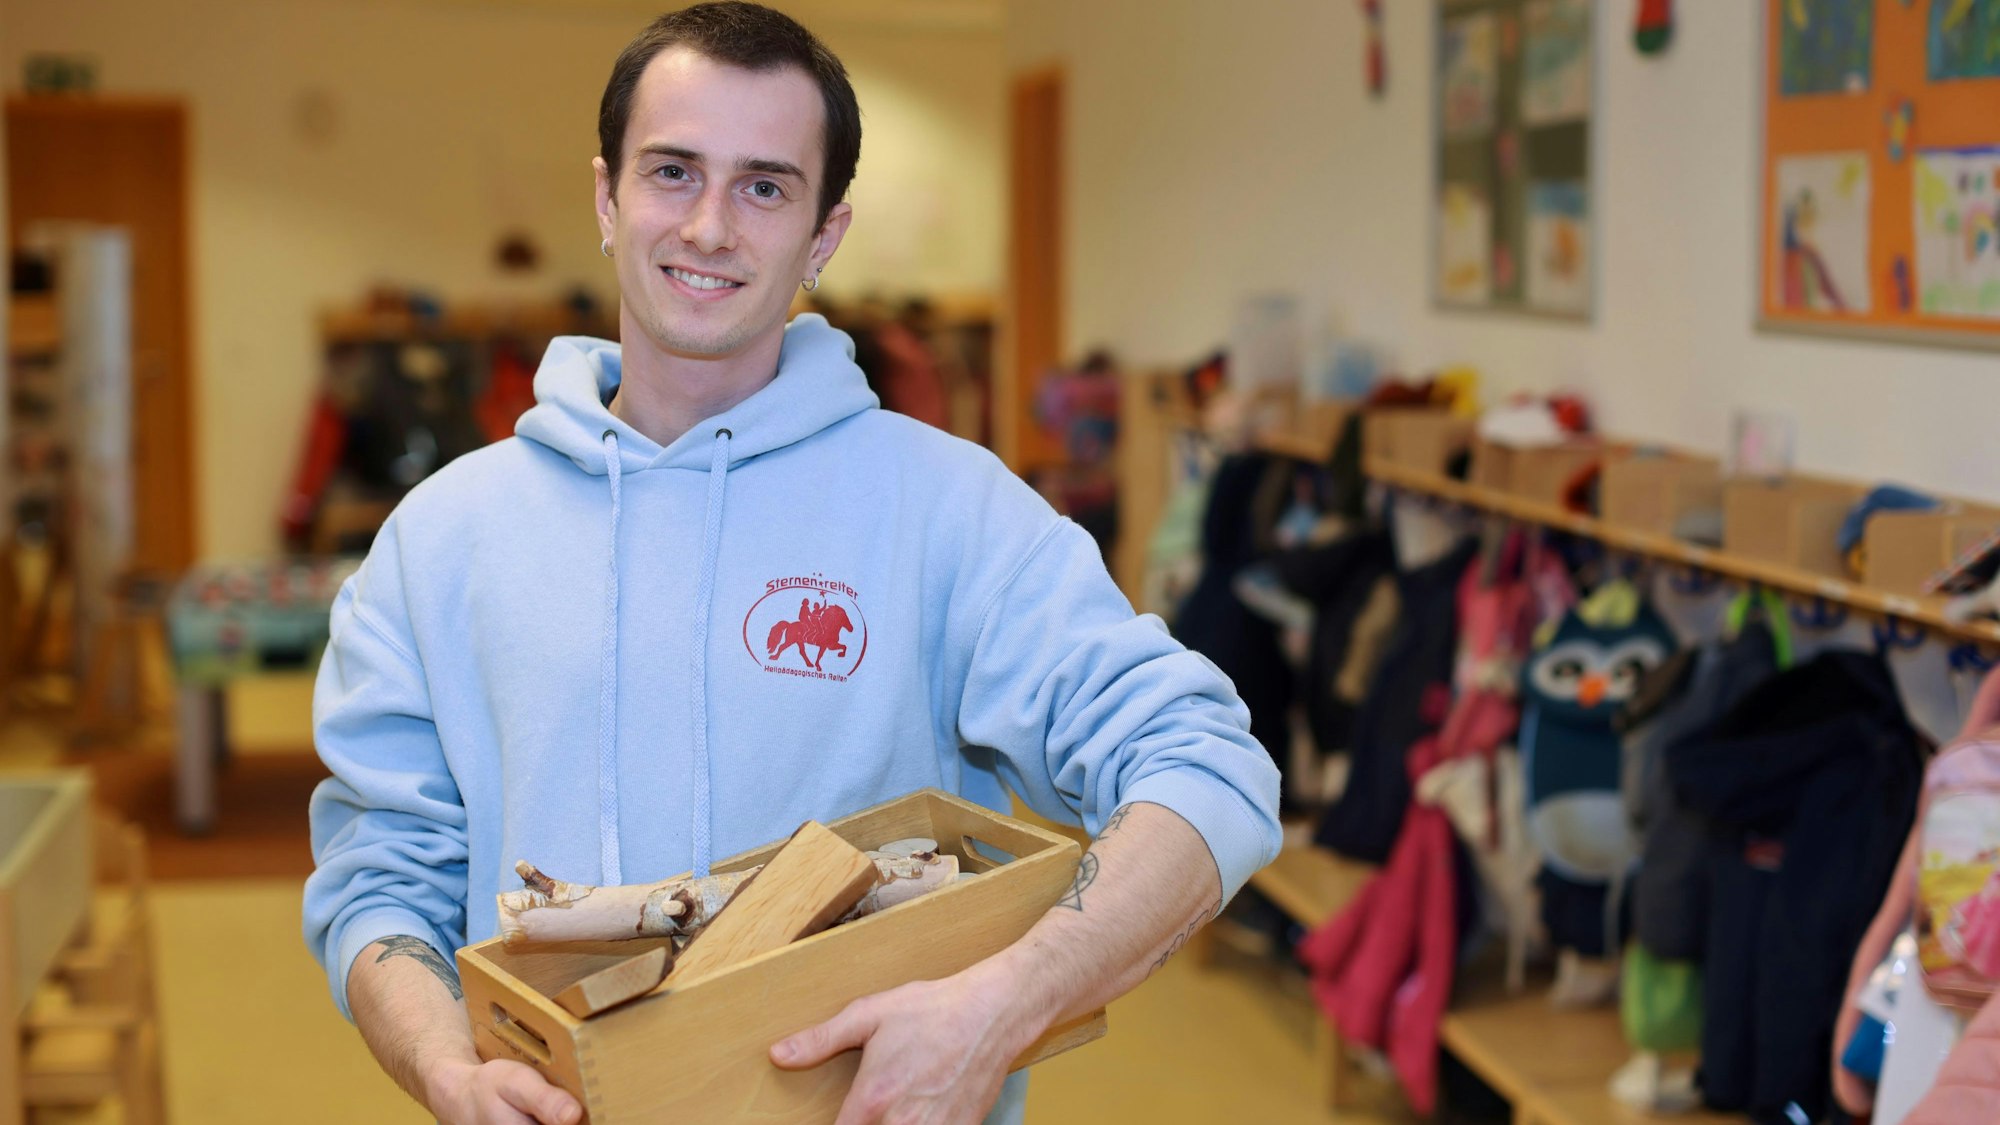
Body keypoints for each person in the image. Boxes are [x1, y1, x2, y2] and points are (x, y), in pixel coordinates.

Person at [301, 5, 1281, 1123]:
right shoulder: (439, 540)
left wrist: (1005, 1003)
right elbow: (380, 877)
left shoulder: (948, 511)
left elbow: (1207, 769)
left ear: (823, 235)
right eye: (672, 171)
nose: (710, 225)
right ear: (605, 198)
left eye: (764, 186)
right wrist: (443, 1069)